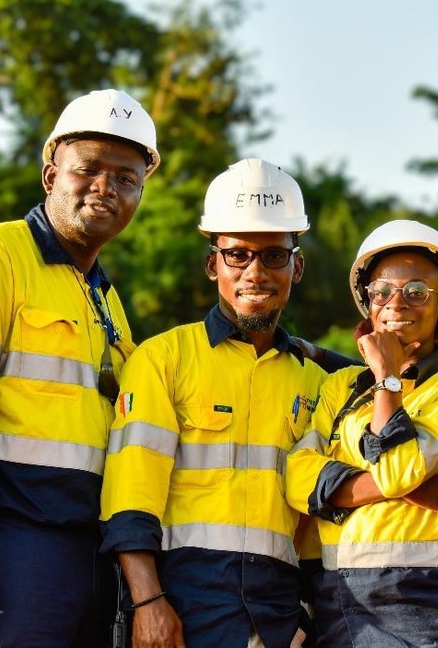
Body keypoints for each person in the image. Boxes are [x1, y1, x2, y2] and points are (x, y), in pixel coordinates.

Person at [0, 89, 159, 648]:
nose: (105, 188)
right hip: (6, 544)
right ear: (51, 176)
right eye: (88, 169)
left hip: (87, 555)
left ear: (140, 194)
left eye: (126, 178)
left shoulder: (106, 299)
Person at [99, 158, 330, 648]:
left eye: (273, 256)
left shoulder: (317, 382)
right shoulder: (163, 359)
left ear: (297, 265)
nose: (255, 272)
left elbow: (314, 529)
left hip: (279, 616)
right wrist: (147, 604)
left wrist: (310, 615)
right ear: (213, 264)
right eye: (238, 255)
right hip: (186, 606)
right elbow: (130, 501)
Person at [286, 219, 438, 648]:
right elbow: (296, 479)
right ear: (368, 304)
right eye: (381, 292)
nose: (395, 303)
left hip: (427, 606)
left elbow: (398, 468)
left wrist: (386, 377)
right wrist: (406, 490)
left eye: (416, 292)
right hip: (340, 605)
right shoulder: (340, 386)